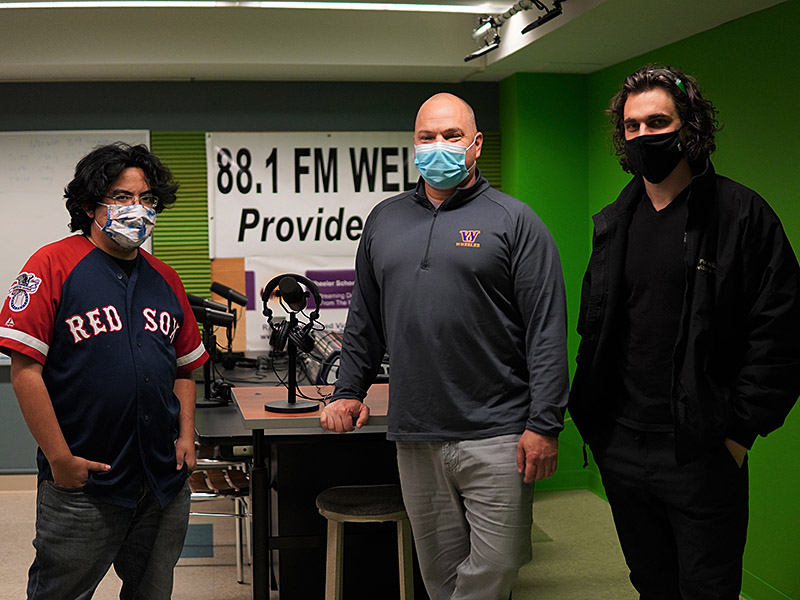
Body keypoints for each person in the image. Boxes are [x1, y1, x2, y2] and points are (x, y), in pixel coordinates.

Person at [319, 92, 569, 600]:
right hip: (415, 430)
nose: (439, 146)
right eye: (427, 137)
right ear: (413, 145)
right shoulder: (384, 220)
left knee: (497, 566)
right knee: (438, 571)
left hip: (498, 430)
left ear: (475, 144)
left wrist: (545, 423)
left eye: (452, 136)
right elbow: (365, 317)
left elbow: (547, 329)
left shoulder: (514, 220)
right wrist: (348, 391)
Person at [569, 65, 800, 599]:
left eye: (657, 121)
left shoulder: (742, 215)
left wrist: (739, 432)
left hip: (702, 450)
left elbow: (781, 331)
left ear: (689, 125)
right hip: (622, 444)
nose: (644, 135)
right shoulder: (615, 222)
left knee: (707, 590)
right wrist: (600, 430)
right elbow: (597, 327)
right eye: (632, 126)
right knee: (652, 584)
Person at [0, 142, 209, 600]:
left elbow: (183, 369)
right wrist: (60, 460)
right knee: (62, 591)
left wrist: (187, 437)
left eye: (148, 199)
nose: (138, 209)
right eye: (121, 197)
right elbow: (25, 372)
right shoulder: (52, 264)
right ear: (90, 204)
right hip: (85, 480)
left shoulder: (165, 277)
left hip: (161, 480)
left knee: (152, 590)